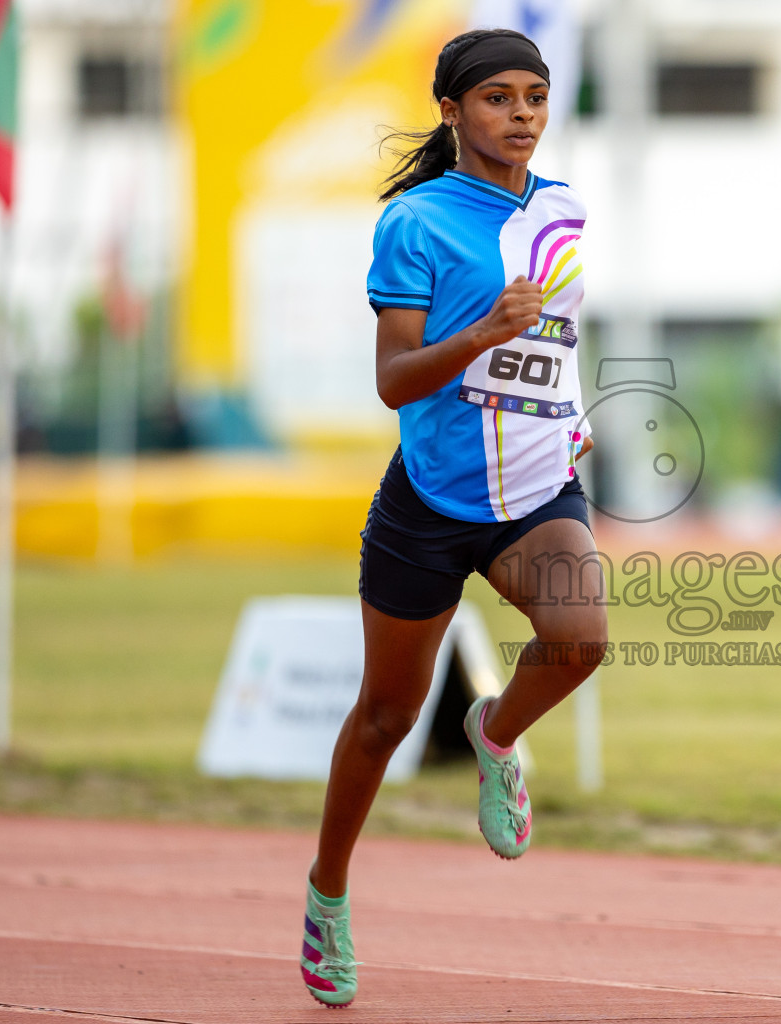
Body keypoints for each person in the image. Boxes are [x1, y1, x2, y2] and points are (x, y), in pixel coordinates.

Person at [299, 29, 608, 1009]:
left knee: (580, 641)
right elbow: (394, 380)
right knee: (385, 716)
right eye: (497, 98)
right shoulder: (416, 223)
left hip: (536, 489)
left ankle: (494, 731)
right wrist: (480, 334)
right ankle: (327, 893)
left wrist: (573, 414)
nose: (519, 115)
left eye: (535, 97)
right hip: (431, 502)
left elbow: (553, 343)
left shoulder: (564, 209)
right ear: (451, 112)